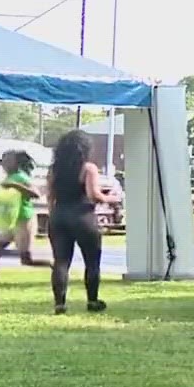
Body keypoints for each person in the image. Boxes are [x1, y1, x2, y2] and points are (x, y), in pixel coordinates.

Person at [45, 130, 120, 315]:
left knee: (61, 261)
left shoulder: (54, 169)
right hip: (82, 216)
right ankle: (92, 300)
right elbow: (93, 195)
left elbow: (50, 196)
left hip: (59, 215)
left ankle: (59, 303)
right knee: (92, 261)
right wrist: (113, 199)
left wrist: (54, 213)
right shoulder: (88, 168)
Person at [0, 149, 47, 304]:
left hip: (23, 221)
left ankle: (55, 265)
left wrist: (15, 185)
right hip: (8, 222)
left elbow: (36, 194)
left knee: (27, 260)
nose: (5, 163)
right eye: (3, 160)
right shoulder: (6, 178)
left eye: (8, 160)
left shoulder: (20, 177)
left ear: (17, 163)